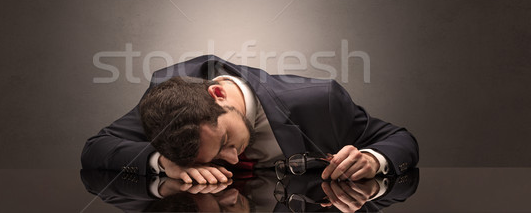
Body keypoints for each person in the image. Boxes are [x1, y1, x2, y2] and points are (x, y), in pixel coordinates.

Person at [81, 55, 418, 184]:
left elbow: (401, 140)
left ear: (218, 94)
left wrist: (374, 160)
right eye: (217, 156)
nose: (231, 158)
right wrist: (163, 162)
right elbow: (97, 149)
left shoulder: (320, 100)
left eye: (226, 142)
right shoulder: (166, 106)